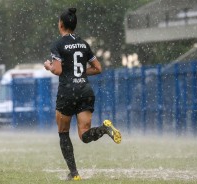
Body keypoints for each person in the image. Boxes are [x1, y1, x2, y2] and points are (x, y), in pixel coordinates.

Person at [44, 8, 122, 181]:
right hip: (85, 90)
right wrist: (79, 75)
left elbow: (57, 70)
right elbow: (98, 68)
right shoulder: (83, 44)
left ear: (61, 24)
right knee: (84, 135)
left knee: (63, 132)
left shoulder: (58, 44)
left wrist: (49, 66)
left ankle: (75, 174)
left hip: (67, 92)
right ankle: (104, 128)